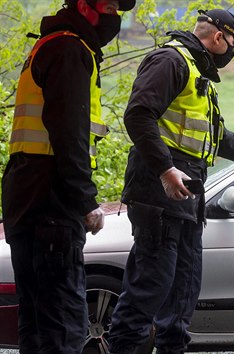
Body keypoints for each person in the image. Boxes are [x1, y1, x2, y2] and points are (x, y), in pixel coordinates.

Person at [107, 9, 234, 354]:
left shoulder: (197, 74)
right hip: (158, 192)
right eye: (231, 47)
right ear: (219, 38)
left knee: (183, 290)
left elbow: (219, 138)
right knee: (151, 286)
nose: (230, 55)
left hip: (185, 199)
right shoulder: (171, 61)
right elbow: (138, 115)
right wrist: (166, 170)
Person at [0, 0, 135, 352]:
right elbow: (69, 134)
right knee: (62, 322)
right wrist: (85, 201)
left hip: (28, 196)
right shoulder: (70, 50)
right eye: (109, 5)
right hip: (52, 204)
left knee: (38, 321)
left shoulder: (50, 44)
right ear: (84, 6)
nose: (115, 16)